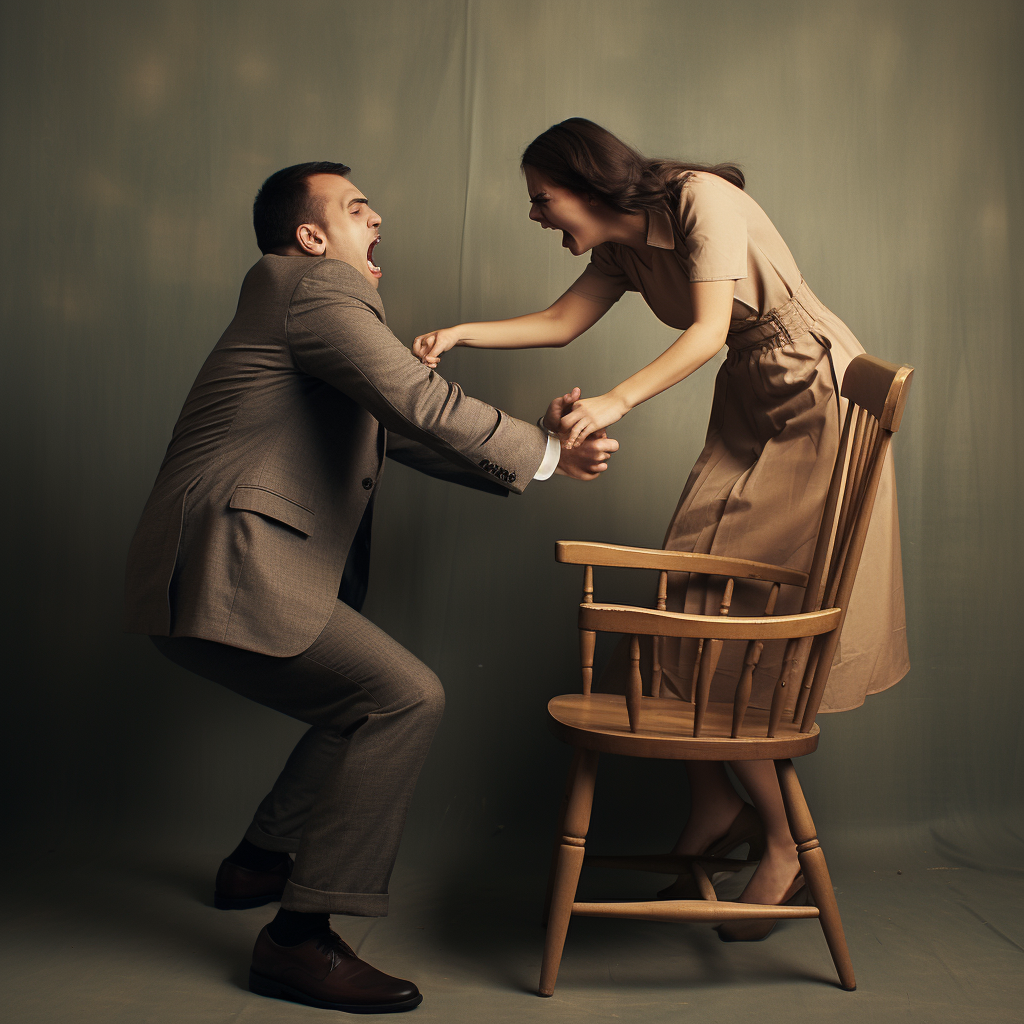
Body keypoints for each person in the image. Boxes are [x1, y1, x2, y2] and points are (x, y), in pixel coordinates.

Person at [124, 160, 618, 1013]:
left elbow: (393, 425)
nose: (377, 215)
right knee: (403, 699)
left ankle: (258, 862)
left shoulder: (292, 299)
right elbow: (415, 399)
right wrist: (541, 453)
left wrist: (524, 462)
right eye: (356, 208)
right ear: (313, 237)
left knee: (356, 704)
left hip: (205, 563)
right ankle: (298, 939)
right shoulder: (317, 289)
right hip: (223, 563)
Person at [413, 118, 909, 940]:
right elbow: (564, 321)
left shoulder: (701, 200)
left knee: (737, 621)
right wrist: (463, 331)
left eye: (543, 199)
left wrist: (613, 402)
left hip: (808, 391)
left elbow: (709, 330)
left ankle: (782, 846)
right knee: (688, 587)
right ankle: (716, 800)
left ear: (590, 182)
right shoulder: (619, 250)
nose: (536, 217)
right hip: (752, 392)